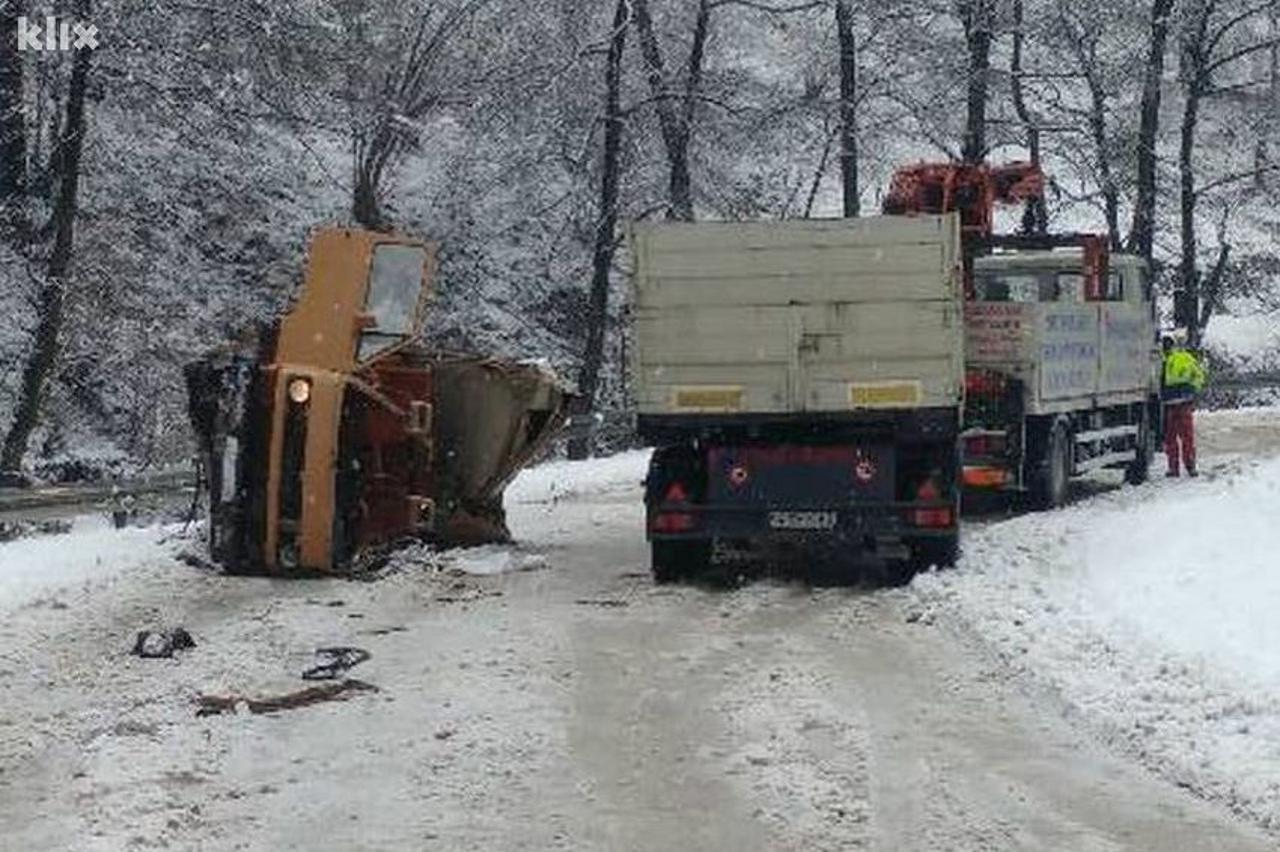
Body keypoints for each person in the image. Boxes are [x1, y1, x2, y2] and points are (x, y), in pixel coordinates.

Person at [1161, 334, 1207, 477]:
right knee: (1187, 436)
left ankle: (1173, 468)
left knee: (1171, 438)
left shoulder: (1163, 360)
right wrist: (1192, 392)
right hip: (1185, 403)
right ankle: (1190, 466)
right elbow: (1199, 376)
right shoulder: (1186, 357)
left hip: (1169, 405)